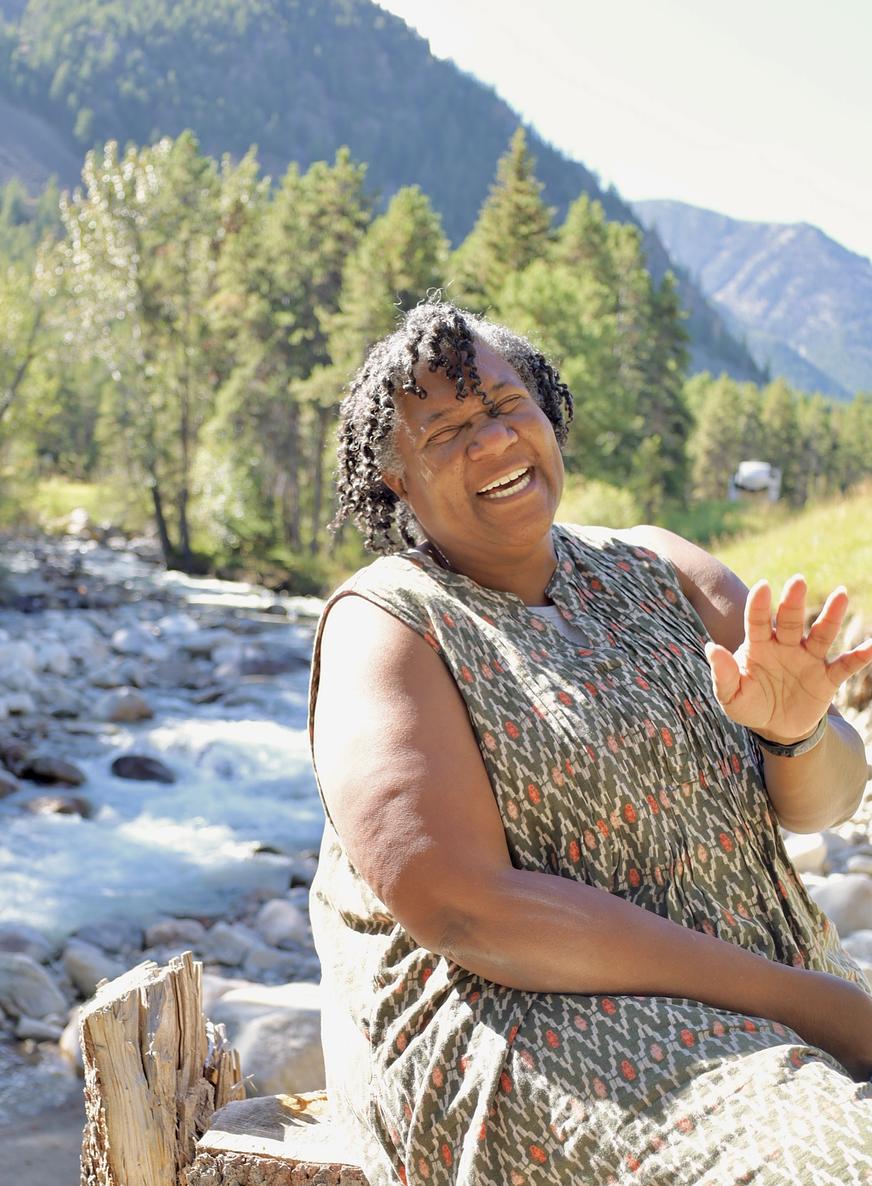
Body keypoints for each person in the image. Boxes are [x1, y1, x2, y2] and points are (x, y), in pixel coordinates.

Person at [307, 299, 872, 1185]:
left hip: (781, 994)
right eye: (447, 431)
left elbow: (829, 802)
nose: (493, 439)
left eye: (506, 405)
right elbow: (465, 910)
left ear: (547, 411)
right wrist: (820, 1008)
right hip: (531, 1031)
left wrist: (795, 734)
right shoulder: (387, 623)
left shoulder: (662, 568)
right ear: (395, 480)